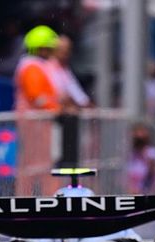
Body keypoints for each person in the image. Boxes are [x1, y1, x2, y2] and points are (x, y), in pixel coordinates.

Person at [14, 25, 62, 195]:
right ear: (40, 48)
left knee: (36, 164)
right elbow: (35, 96)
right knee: (36, 164)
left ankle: (34, 195)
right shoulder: (32, 67)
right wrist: (56, 109)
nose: (51, 52)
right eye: (49, 48)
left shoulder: (35, 65)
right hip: (35, 124)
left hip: (38, 123)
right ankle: (36, 196)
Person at [48, 36, 90, 110]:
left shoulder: (65, 69)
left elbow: (76, 92)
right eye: (62, 50)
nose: (65, 54)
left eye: (67, 50)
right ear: (54, 51)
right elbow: (59, 95)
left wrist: (86, 104)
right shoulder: (48, 68)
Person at [125, 123, 155, 195]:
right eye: (137, 139)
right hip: (132, 194)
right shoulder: (131, 155)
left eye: (141, 140)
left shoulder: (153, 153)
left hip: (149, 194)